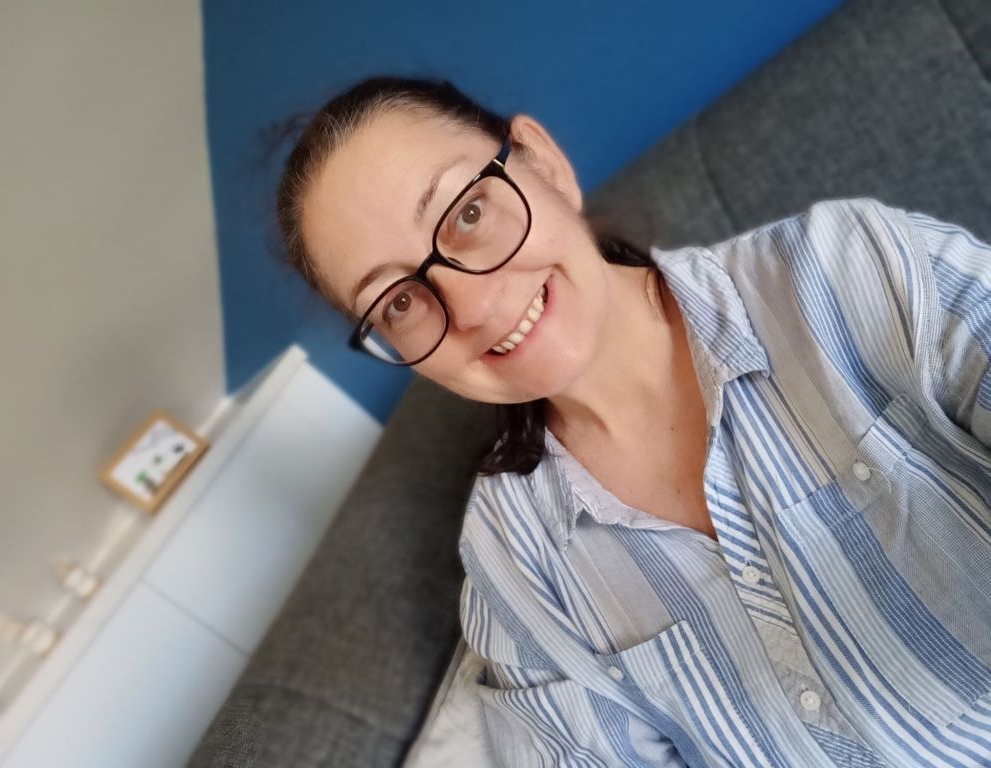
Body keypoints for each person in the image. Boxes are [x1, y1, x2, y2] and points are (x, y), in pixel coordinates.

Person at [275, 77, 991, 767]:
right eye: (399, 302)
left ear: (543, 163)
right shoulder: (514, 564)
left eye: (467, 213)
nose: (472, 306)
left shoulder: (856, 271)